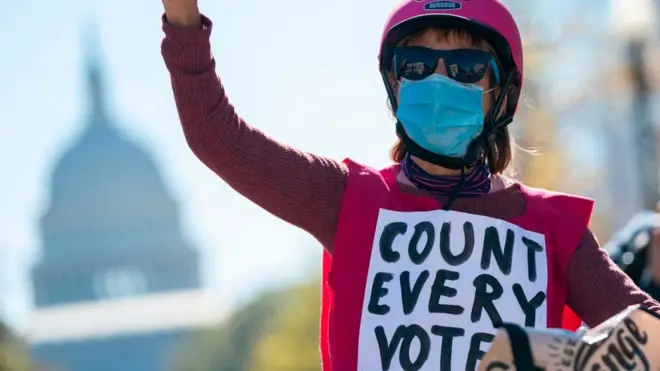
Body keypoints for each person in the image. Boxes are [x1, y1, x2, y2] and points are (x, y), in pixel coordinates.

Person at [160, 0, 660, 369]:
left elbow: (650, 337)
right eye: (417, 67)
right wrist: (183, 19)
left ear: (501, 97)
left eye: (464, 68)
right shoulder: (348, 199)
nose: (439, 82)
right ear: (394, 88)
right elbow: (217, 137)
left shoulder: (553, 228)